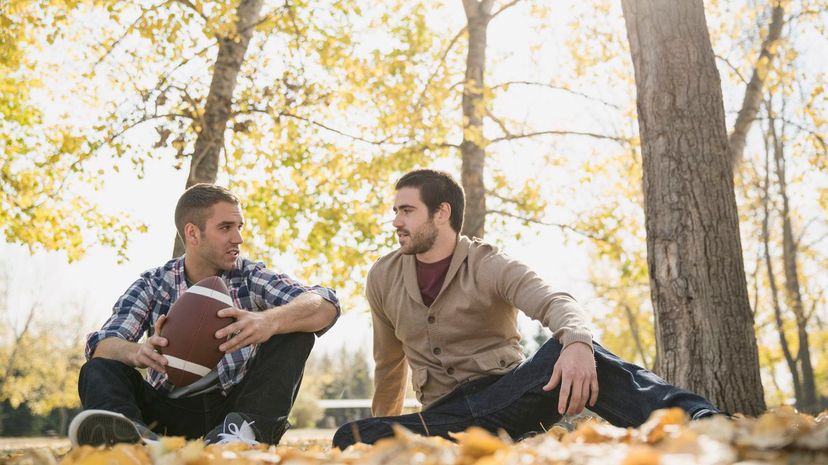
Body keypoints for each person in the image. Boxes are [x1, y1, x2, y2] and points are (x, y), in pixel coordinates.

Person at [332, 169, 719, 449]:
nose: (396, 221)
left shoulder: (488, 263)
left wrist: (578, 344)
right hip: (443, 416)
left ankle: (700, 420)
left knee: (573, 352)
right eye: (396, 211)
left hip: (508, 396)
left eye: (406, 211)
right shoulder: (382, 277)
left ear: (441, 213)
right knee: (351, 436)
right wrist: (380, 432)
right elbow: (388, 364)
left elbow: (556, 303)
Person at [70, 183, 340, 447]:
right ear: (192, 233)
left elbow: (325, 304)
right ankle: (131, 441)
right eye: (225, 228)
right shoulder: (153, 283)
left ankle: (241, 438)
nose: (238, 238)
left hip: (235, 412)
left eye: (239, 227)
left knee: (295, 331)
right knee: (98, 367)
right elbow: (101, 345)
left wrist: (268, 321)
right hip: (167, 411)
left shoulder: (251, 276)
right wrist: (137, 352)